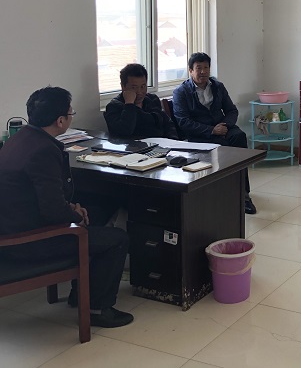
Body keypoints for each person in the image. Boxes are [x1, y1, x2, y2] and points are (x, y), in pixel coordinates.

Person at [0, 87, 134, 328]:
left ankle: (81, 293)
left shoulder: (19, 139)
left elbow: (40, 196)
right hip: (29, 242)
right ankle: (98, 308)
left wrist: (71, 207)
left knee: (96, 212)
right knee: (117, 239)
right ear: (60, 121)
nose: (71, 116)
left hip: (13, 227)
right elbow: (52, 211)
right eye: (71, 113)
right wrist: (74, 215)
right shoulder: (43, 150)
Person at [172, 52, 256, 215]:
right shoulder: (181, 92)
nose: (203, 72)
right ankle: (221, 194)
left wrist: (224, 126)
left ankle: (243, 194)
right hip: (199, 134)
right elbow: (184, 122)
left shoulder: (218, 86)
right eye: (198, 68)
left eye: (206, 68)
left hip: (223, 127)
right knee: (222, 146)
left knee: (239, 137)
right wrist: (211, 130)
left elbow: (231, 110)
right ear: (190, 70)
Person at [104, 63, 178, 140]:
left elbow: (168, 124)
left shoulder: (152, 100)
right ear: (123, 86)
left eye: (143, 86)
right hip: (135, 146)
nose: (139, 92)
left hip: (162, 145)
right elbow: (125, 131)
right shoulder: (114, 107)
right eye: (134, 87)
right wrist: (129, 104)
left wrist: (174, 142)